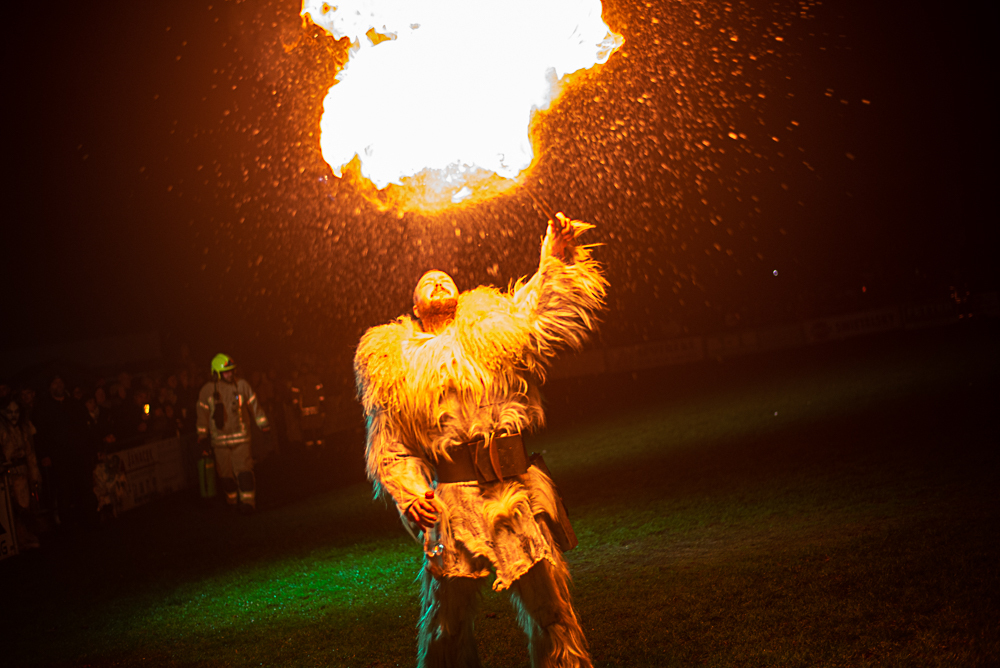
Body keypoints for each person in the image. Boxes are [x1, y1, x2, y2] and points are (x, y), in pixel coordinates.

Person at [354, 213, 607, 668]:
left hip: (513, 490)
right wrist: (410, 495)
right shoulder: (394, 363)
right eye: (426, 282)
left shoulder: (493, 330)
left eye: (444, 278)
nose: (437, 281)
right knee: (446, 621)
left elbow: (537, 307)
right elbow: (389, 445)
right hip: (453, 501)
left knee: (550, 605)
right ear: (414, 307)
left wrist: (554, 256)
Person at [196, 354, 270, 512]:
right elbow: (202, 414)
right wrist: (202, 435)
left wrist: (263, 424)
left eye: (231, 371)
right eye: (226, 372)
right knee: (226, 476)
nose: (230, 374)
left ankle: (248, 503)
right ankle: (232, 501)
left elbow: (254, 405)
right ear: (216, 373)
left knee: (244, 471)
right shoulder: (207, 391)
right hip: (219, 443)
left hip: (241, 439)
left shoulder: (242, 385)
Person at [1, 397, 42, 549]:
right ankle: (14, 539)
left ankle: (23, 536)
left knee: (24, 504)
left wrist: (34, 474)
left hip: (22, 473)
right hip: (6, 474)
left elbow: (30, 453)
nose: (13, 415)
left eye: (16, 412)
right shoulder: (2, 429)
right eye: (9, 412)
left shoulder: (23, 428)